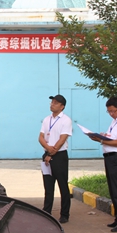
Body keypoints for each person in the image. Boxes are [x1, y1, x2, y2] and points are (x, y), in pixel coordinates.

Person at [89, 97, 117, 232]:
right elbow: (113, 138)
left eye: (113, 111)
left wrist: (102, 141)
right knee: (113, 190)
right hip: (110, 157)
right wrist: (103, 136)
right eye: (109, 111)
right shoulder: (116, 120)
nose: (111, 114)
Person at [38, 95, 73, 223]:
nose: (52, 104)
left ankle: (64, 214)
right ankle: (47, 211)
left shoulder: (66, 120)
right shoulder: (47, 119)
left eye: (55, 103)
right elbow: (41, 137)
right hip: (47, 154)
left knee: (62, 185)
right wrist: (48, 149)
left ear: (62, 106)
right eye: (52, 102)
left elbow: (62, 139)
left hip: (59, 156)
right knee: (48, 186)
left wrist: (51, 153)